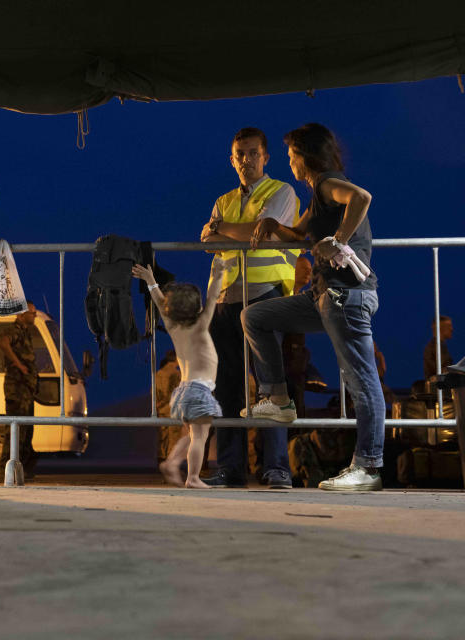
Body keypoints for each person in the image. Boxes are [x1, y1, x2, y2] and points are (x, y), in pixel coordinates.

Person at [244, 122, 384, 491]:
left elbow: (361, 197)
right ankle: (277, 398)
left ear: (306, 157)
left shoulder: (327, 183)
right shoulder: (316, 195)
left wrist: (338, 241)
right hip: (322, 297)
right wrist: (273, 223)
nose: (290, 163)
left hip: (346, 297)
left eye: (291, 156)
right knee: (255, 315)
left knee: (362, 381)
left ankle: (368, 466)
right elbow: (297, 235)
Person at [199, 127, 300, 489]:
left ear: (265, 157)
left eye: (253, 153)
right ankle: (230, 467)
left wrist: (220, 227)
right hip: (227, 300)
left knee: (270, 387)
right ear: (232, 158)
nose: (246, 160)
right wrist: (231, 232)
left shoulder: (282, 192)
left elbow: (265, 234)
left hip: (266, 297)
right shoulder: (224, 199)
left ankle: (276, 468)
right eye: (239, 154)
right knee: (227, 387)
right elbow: (207, 244)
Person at [133, 257, 227, 488]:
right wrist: (217, 272)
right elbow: (214, 296)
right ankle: (192, 477)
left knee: (192, 435)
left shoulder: (172, 325)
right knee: (201, 438)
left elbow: (158, 301)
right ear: (197, 308)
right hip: (199, 390)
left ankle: (172, 462)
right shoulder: (201, 325)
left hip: (184, 391)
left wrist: (151, 281)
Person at [0, 301, 39, 476]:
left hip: (26, 390)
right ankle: (6, 469)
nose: (34, 316)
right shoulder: (14, 331)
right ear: (22, 314)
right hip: (17, 388)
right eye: (32, 313)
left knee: (26, 429)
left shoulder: (25, 333)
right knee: (15, 429)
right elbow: (3, 342)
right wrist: (18, 364)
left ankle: (22, 468)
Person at [154, 349, 184, 462]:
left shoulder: (158, 373)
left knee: (163, 438)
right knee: (174, 438)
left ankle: (161, 461)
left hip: (161, 410)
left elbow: (155, 392)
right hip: (173, 410)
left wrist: (158, 405)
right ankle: (171, 465)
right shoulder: (176, 374)